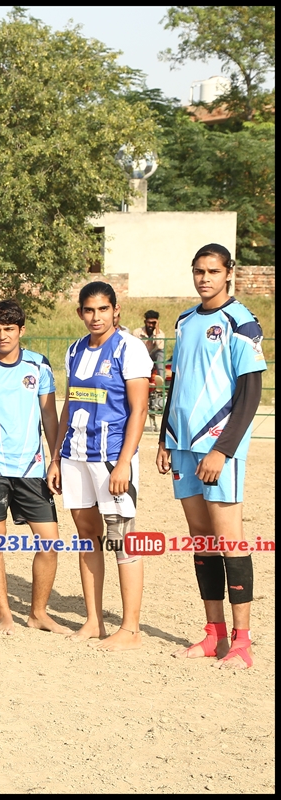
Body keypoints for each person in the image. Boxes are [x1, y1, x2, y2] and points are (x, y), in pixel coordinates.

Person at [158, 243, 264, 669]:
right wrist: (165, 438)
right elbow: (177, 382)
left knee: (229, 539)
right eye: (198, 271)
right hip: (182, 445)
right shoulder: (185, 321)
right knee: (201, 538)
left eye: (213, 271)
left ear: (228, 273)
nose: (205, 278)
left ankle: (242, 642)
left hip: (218, 446)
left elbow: (251, 393)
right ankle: (213, 633)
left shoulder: (242, 323)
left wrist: (222, 449)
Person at [47, 282, 152, 651]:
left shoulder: (130, 348)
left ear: (115, 310)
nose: (96, 317)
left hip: (111, 457)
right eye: (89, 310)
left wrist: (124, 463)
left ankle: (131, 629)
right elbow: (69, 403)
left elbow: (139, 409)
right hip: (75, 455)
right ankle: (94, 621)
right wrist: (56, 456)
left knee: (121, 537)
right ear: (80, 313)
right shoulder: (75, 349)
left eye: (103, 309)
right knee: (86, 535)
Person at [0, 299, 68, 635]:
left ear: (21, 330)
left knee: (49, 542)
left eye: (8, 329)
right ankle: (4, 614)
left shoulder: (39, 365)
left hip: (32, 468)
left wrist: (55, 459)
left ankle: (38, 613)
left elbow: (49, 416)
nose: (2, 335)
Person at [133, 311, 167, 431]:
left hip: (153, 357)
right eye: (149, 323)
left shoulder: (160, 333)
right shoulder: (137, 333)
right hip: (141, 357)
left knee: (160, 352)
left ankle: (161, 380)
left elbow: (160, 346)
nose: (151, 325)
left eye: (153, 323)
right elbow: (134, 348)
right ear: (145, 322)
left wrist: (156, 331)